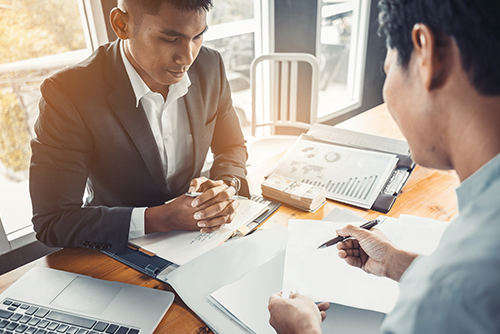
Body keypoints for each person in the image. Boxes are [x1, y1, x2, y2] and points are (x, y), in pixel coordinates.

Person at [268, 0, 500, 332]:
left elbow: (457, 293)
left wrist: (302, 330)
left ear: (425, 54)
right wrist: (395, 263)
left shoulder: (443, 298)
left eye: (387, 62)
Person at [29, 0, 250, 254]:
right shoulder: (69, 93)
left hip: (199, 241)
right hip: (116, 251)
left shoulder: (210, 66)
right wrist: (162, 218)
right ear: (122, 25)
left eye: (198, 37)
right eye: (170, 39)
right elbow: (52, 220)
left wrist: (225, 186)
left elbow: (231, 146)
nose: (187, 58)